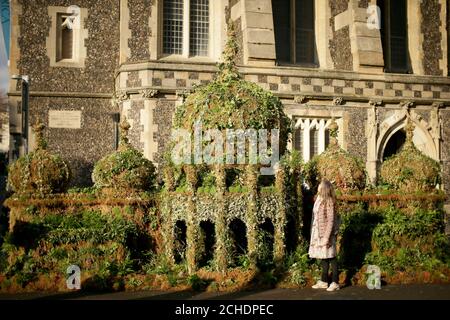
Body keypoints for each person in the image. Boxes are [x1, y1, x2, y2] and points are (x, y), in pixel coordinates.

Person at [308, 179, 340, 291]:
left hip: (327, 233)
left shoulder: (329, 201)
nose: (318, 186)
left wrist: (326, 237)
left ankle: (335, 282)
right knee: (323, 256)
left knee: (331, 256)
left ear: (324, 188)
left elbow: (331, 221)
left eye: (320, 185)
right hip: (318, 231)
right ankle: (324, 281)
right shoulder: (318, 199)